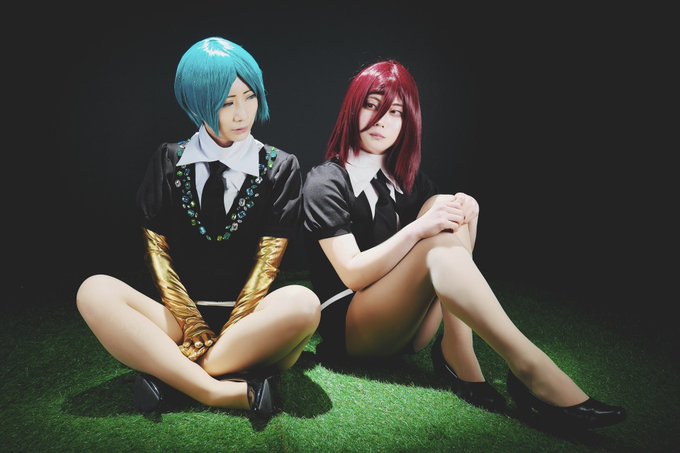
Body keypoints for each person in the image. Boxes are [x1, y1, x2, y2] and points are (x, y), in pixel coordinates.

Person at [302, 60, 626, 429]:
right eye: (371, 105)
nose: (381, 121)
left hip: (410, 332)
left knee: (449, 205)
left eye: (395, 112)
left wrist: (466, 211)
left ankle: (458, 348)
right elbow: (352, 274)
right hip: (352, 330)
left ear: (408, 121)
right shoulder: (325, 181)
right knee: (433, 230)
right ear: (352, 109)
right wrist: (417, 230)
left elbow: (444, 243)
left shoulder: (411, 182)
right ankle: (527, 365)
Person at [76, 37, 320, 415]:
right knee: (93, 291)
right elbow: (158, 256)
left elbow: (267, 266)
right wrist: (192, 326)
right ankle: (217, 390)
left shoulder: (281, 166)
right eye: (226, 103)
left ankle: (172, 375)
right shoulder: (167, 160)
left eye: (249, 97)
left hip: (252, 324)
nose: (242, 113)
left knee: (305, 305)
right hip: (177, 321)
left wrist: (234, 329)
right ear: (197, 103)